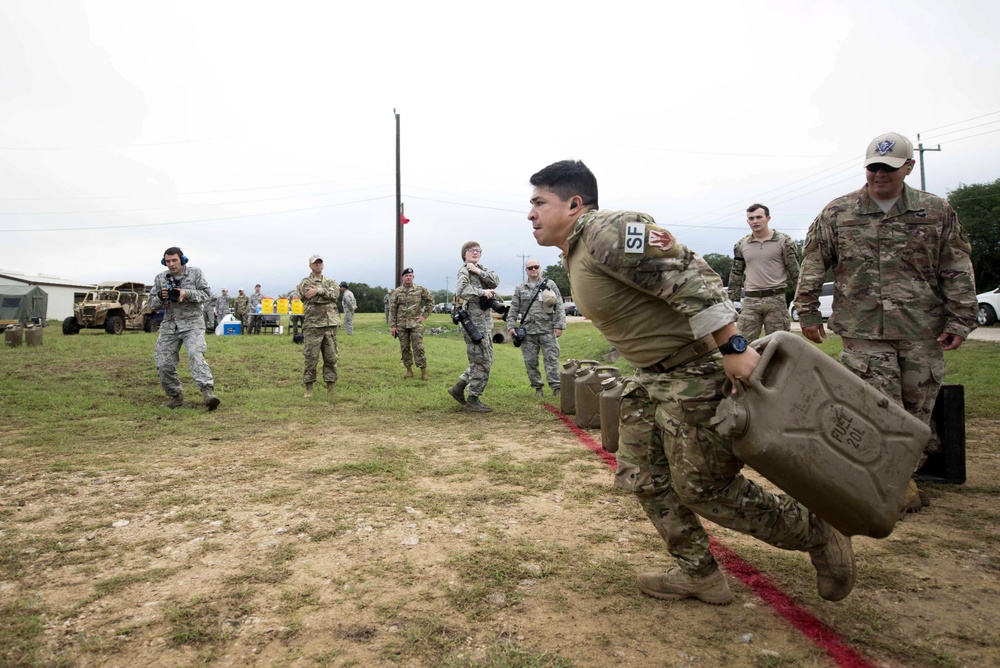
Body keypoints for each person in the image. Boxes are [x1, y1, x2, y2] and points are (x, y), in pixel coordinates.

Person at [527, 159, 855, 605]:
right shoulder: (578, 249)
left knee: (705, 488)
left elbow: (689, 273)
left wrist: (734, 347)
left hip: (693, 372)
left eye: (538, 202)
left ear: (573, 203)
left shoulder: (609, 230)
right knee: (644, 476)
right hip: (653, 378)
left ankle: (818, 533)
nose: (530, 213)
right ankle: (698, 573)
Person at [794, 132, 978, 513]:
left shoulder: (936, 211)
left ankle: (903, 474)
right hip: (863, 332)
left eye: (889, 168)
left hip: (921, 328)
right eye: (874, 167)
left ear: (909, 167)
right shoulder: (838, 212)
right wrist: (808, 310)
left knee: (916, 412)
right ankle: (888, 487)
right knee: (876, 408)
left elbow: (956, 267)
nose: (880, 175)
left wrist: (961, 318)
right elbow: (813, 262)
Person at [148, 246, 220, 410]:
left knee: (196, 354)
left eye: (174, 260)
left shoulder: (195, 273)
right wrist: (160, 296)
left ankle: (208, 393)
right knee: (163, 363)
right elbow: (151, 305)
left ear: (182, 259)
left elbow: (207, 295)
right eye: (168, 261)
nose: (171, 264)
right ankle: (175, 396)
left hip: (192, 323)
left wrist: (185, 293)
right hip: (170, 325)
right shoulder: (160, 278)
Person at [727, 203, 800, 342]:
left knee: (780, 344)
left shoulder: (784, 241)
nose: (755, 221)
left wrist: (802, 299)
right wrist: (731, 301)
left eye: (759, 217)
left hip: (776, 299)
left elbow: (795, 273)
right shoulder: (741, 244)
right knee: (741, 343)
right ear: (747, 221)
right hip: (750, 301)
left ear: (768, 218)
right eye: (751, 218)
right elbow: (736, 274)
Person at [448, 241, 500, 413]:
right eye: (471, 250)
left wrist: (478, 271)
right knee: (481, 361)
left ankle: (459, 386)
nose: (475, 253)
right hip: (473, 324)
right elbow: (462, 290)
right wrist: (481, 292)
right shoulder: (463, 272)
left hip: (485, 324)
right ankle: (473, 398)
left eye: (478, 250)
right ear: (464, 254)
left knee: (486, 359)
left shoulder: (482, 270)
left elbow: (495, 281)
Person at [506, 259, 566, 396]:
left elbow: (560, 306)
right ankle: (538, 388)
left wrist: (559, 326)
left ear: (540, 268)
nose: (533, 270)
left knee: (551, 359)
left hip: (547, 330)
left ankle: (556, 387)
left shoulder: (549, 285)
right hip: (528, 332)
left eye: (536, 267)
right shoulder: (520, 288)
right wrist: (511, 326)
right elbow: (514, 308)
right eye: (530, 268)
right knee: (531, 361)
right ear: (526, 270)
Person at [297, 255, 340, 397]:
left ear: (323, 265)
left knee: (331, 357)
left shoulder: (330, 281)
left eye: (320, 263)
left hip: (330, 324)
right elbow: (307, 295)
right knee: (311, 357)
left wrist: (318, 291)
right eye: (315, 263)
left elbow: (335, 294)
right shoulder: (305, 282)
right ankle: (309, 387)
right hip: (313, 325)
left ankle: (331, 386)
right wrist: (323, 294)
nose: (318, 265)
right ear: (310, 265)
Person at [389, 267, 434, 380]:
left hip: (415, 324)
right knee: (404, 348)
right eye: (406, 276)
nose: (408, 278)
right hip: (401, 325)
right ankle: (409, 370)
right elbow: (392, 309)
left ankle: (423, 371)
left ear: (413, 277)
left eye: (410, 276)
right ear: (402, 277)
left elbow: (430, 301)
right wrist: (393, 326)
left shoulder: (419, 289)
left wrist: (424, 316)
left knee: (418, 347)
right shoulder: (397, 292)